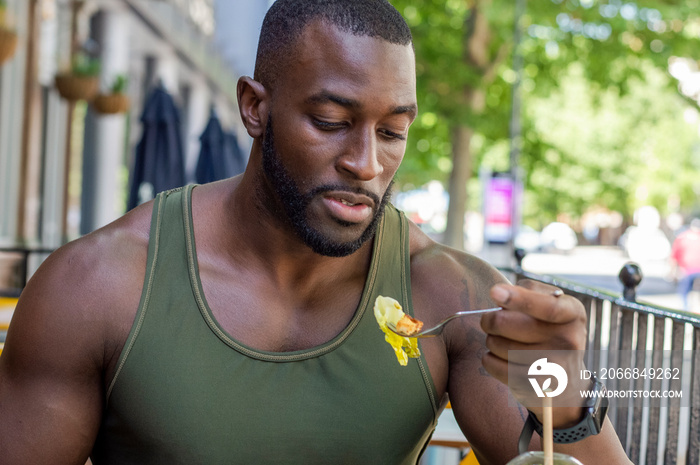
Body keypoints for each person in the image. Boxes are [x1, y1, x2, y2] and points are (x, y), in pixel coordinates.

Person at [0, 1, 630, 463]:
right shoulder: (96, 285)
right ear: (255, 107)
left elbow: (556, 443)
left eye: (392, 132)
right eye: (330, 121)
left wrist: (567, 399)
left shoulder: (449, 293)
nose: (367, 164)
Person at [671, 218, 700, 311]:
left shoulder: (682, 237)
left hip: (686, 269)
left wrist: (673, 271)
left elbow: (674, 255)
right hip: (695, 269)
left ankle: (686, 309)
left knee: (684, 293)